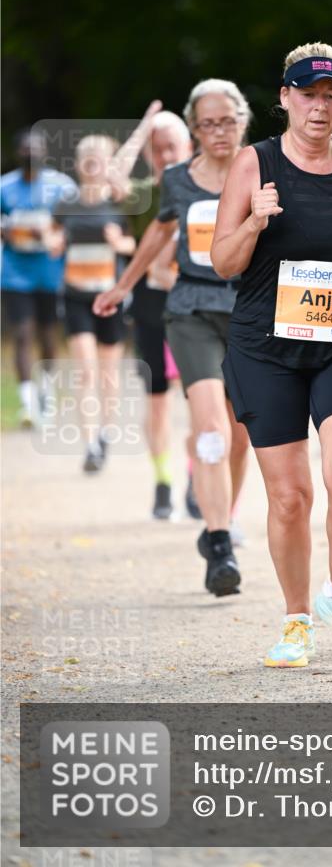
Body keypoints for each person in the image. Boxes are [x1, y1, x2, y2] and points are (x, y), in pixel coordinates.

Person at [211, 42, 332, 668]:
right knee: (289, 495)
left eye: (331, 95)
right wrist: (253, 223)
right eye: (308, 94)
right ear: (285, 97)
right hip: (265, 349)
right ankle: (295, 620)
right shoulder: (253, 164)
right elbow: (223, 261)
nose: (320, 107)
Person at [94, 80, 252, 597]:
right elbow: (161, 231)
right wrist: (123, 284)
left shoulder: (264, 170)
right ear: (194, 129)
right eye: (207, 123)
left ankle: (220, 517)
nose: (219, 131)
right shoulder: (180, 180)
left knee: (240, 433)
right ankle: (220, 543)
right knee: (210, 429)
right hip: (192, 310)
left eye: (227, 120)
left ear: (243, 120)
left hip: (250, 312)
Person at [109, 103, 193, 519]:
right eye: (156, 148)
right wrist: (143, 130)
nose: (164, 154)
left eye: (171, 145)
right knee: (157, 397)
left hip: (196, 304)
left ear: (189, 144)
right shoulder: (144, 192)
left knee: (204, 399)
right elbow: (112, 180)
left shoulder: (204, 183)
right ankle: (163, 481)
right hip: (151, 303)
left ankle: (199, 478)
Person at [49, 134, 136, 472]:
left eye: (99, 160)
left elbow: (133, 246)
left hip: (109, 297)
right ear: (80, 165)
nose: (93, 166)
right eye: (87, 160)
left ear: (107, 165)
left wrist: (120, 243)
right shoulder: (66, 204)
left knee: (108, 374)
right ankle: (89, 445)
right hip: (75, 296)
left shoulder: (119, 203)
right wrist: (54, 241)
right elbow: (52, 235)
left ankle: (106, 433)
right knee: (85, 372)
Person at [1, 129, 76, 427]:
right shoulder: (5, 187)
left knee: (47, 337)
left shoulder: (61, 186)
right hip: (15, 274)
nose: (31, 153)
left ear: (45, 152)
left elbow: (80, 222)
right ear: (18, 152)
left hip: (51, 272)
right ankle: (27, 403)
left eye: (37, 148)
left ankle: (46, 391)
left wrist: (51, 233)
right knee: (22, 334)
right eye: (25, 149)